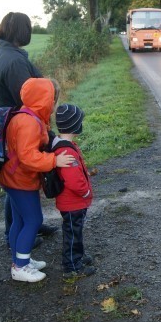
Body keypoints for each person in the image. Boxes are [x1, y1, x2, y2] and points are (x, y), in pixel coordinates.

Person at [0, 12, 58, 246]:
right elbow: (30, 97)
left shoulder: (3, 53)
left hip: (12, 123)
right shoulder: (14, 60)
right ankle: (17, 233)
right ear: (22, 31)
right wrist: (43, 128)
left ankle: (29, 225)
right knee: (18, 181)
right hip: (22, 126)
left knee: (15, 181)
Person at [0, 78, 75, 282]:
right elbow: (27, 156)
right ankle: (21, 266)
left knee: (20, 220)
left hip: (13, 177)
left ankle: (20, 259)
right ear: (45, 100)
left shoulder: (27, 115)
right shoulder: (30, 122)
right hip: (21, 181)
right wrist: (54, 160)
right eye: (52, 99)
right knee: (33, 220)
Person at [53, 104, 96, 277]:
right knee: (72, 233)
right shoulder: (66, 151)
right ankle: (72, 266)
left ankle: (77, 256)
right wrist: (86, 192)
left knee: (75, 231)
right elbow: (74, 180)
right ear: (75, 126)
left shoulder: (64, 145)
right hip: (73, 202)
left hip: (73, 202)